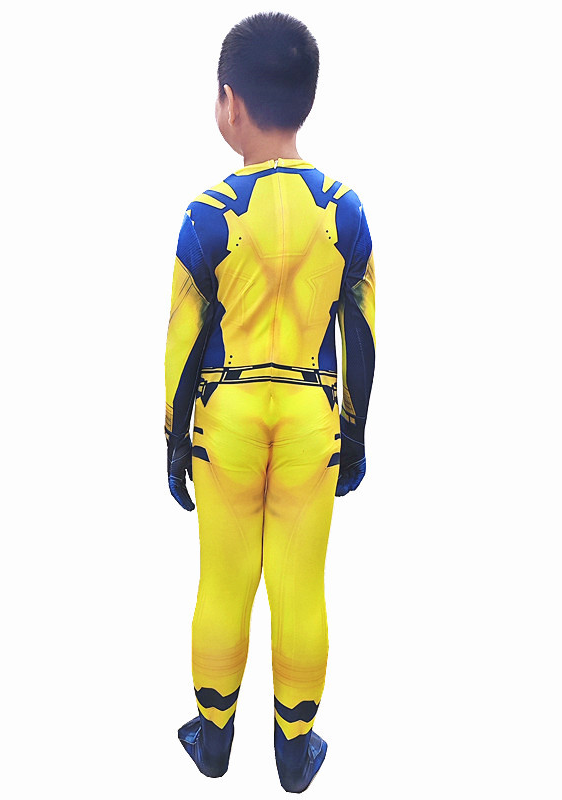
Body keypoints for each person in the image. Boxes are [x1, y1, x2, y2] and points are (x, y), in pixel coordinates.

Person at [163, 11, 376, 793]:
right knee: (300, 585)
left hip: (228, 417)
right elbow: (363, 331)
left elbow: (184, 340)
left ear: (230, 101)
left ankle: (213, 737)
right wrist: (354, 433)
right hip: (311, 416)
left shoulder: (206, 213)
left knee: (222, 581)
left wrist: (173, 440)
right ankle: (295, 749)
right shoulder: (345, 209)